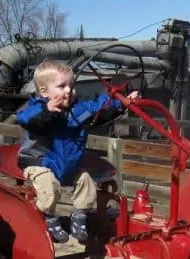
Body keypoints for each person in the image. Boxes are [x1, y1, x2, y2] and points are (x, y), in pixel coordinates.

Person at [16, 60, 139, 243]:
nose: (69, 91)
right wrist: (47, 111)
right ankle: (47, 217)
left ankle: (79, 216)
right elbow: (26, 119)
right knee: (48, 184)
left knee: (86, 180)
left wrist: (121, 101)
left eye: (71, 86)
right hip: (39, 162)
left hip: (68, 165)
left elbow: (99, 107)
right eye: (61, 86)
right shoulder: (37, 109)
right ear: (44, 92)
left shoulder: (78, 110)